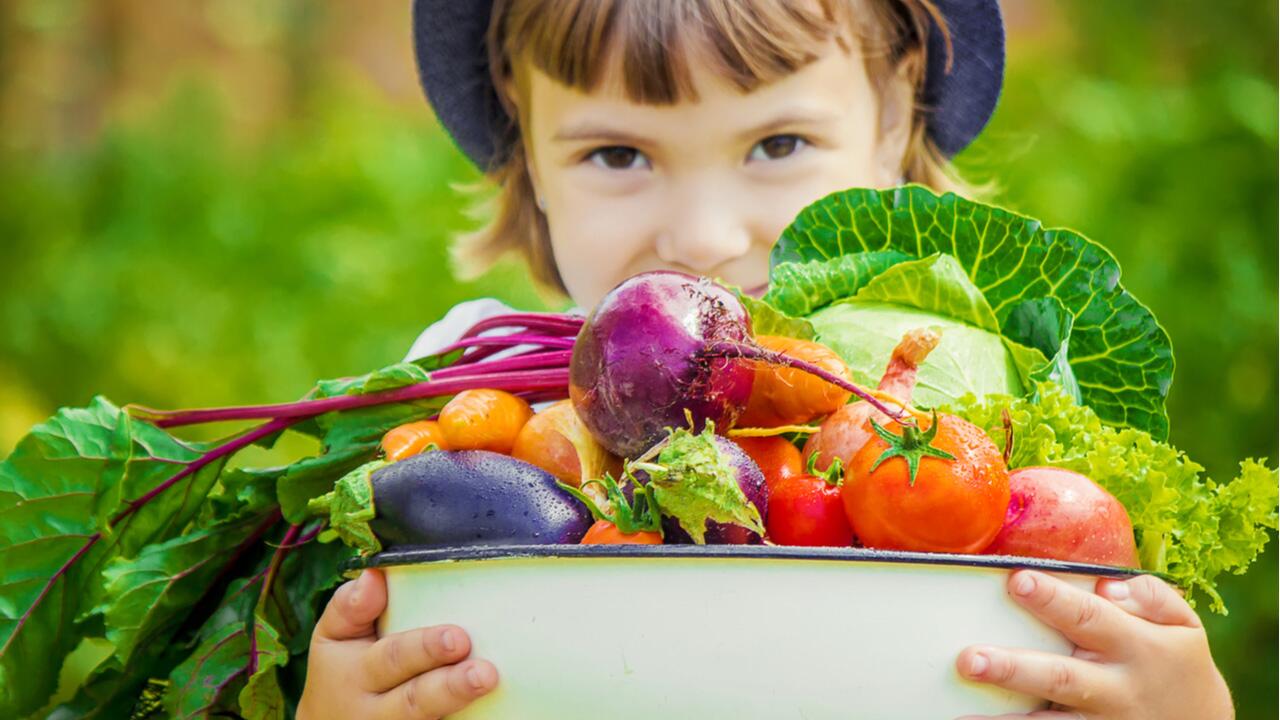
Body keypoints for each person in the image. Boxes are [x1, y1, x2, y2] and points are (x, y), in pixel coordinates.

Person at [297, 1, 1235, 718]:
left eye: (777, 143)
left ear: (895, 108)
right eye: (618, 154)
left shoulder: (998, 418)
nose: (702, 238)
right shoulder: (465, 392)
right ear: (526, 136)